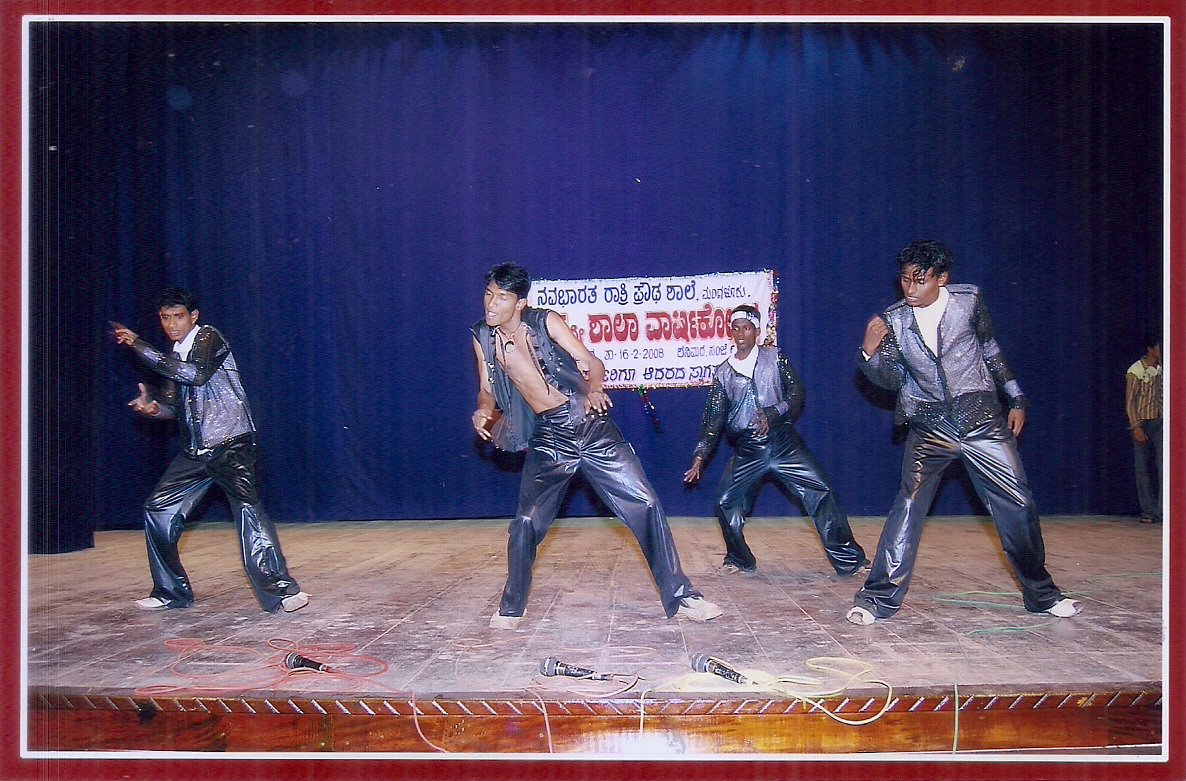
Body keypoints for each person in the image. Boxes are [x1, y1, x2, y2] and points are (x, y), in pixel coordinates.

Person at [471, 262, 721, 629]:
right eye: (489, 294)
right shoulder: (482, 336)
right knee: (525, 522)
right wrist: (483, 409)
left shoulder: (546, 321)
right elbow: (487, 388)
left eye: (502, 297)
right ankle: (511, 608)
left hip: (590, 427)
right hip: (549, 436)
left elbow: (591, 361)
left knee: (645, 503)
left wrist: (595, 388)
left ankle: (682, 596)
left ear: (520, 302)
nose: (491, 304)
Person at [848, 240, 1078, 625]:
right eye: (904, 280)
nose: (910, 289)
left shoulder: (969, 302)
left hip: (981, 420)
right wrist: (868, 354)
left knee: (1017, 504)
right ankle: (877, 599)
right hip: (930, 426)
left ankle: (1042, 595)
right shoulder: (894, 320)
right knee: (908, 506)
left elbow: (990, 350)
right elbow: (892, 380)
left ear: (942, 278)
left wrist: (1016, 397)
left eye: (920, 280)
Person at [110, 287, 308, 613]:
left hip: (231, 444)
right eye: (165, 318)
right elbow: (174, 406)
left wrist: (139, 345)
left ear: (193, 316)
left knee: (248, 511)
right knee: (157, 509)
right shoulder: (174, 355)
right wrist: (153, 408)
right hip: (196, 451)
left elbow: (196, 375)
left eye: (178, 317)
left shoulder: (209, 337)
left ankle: (282, 591)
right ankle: (171, 592)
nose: (171, 325)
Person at [683, 304, 867, 576]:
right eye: (736, 328)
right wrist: (699, 456)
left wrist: (774, 412)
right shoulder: (724, 372)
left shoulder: (775, 357)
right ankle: (740, 559)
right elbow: (713, 420)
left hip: (783, 443)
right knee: (725, 502)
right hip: (748, 449)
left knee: (821, 490)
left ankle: (850, 561)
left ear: (756, 331)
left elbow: (797, 392)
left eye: (746, 328)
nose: (741, 334)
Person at [1126, 335, 1162, 524]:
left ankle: (1162, 510)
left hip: (1160, 421)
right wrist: (1136, 426)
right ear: (1150, 349)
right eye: (1158, 347)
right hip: (1142, 422)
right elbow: (1130, 401)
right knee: (1143, 468)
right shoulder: (1136, 370)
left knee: (1163, 466)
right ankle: (1148, 510)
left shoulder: (1162, 369)